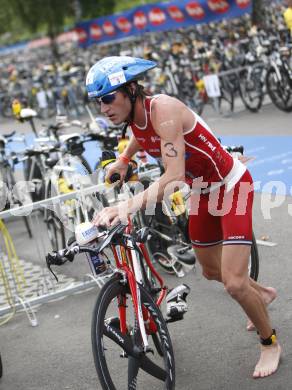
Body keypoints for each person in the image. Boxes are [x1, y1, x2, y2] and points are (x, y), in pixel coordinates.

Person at [86, 56, 281, 378]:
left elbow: (173, 177)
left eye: (108, 98)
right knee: (210, 271)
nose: (103, 108)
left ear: (132, 90)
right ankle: (262, 294)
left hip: (231, 186)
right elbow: (140, 133)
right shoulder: (135, 117)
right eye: (98, 102)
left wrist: (126, 206)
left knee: (233, 283)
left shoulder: (163, 109)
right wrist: (123, 159)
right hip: (203, 191)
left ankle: (269, 342)